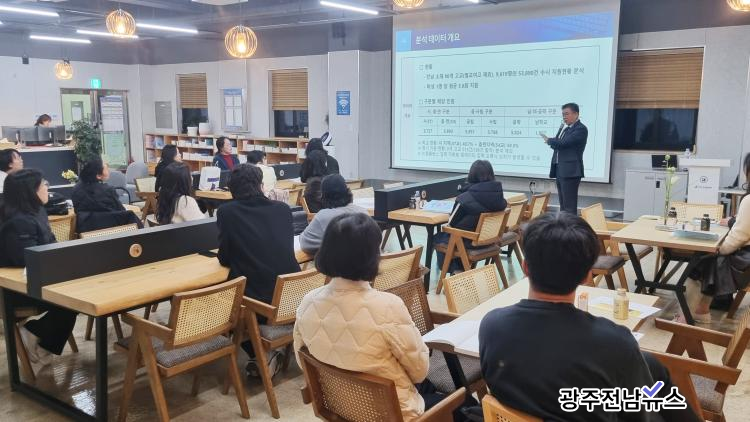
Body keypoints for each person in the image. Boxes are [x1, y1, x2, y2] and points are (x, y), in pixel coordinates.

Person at [479, 213, 701, 422]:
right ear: (587, 275)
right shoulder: (615, 342)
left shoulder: (492, 326)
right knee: (654, 379)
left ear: (525, 267)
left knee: (650, 366)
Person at [294, 213, 433, 421]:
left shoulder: (308, 302)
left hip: (339, 408)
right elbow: (420, 371)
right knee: (463, 402)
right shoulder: (388, 306)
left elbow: (302, 361)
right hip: (392, 413)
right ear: (373, 256)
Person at [217, 164, 300, 372]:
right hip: (291, 298)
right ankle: (268, 353)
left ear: (231, 189)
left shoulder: (227, 212)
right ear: (261, 185)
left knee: (223, 306)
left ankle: (260, 353)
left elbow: (225, 257)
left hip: (258, 302)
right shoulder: (282, 209)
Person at [0, 169, 78, 368]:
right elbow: (24, 258)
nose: (47, 187)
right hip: (15, 289)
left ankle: (40, 337)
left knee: (79, 291)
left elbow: (50, 244)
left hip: (40, 279)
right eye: (43, 184)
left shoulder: (37, 211)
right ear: (30, 191)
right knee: (73, 298)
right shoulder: (17, 221)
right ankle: (37, 335)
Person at [689, 152, 750, 322]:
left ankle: (692, 312)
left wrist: (718, 249)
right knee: (711, 259)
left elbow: (738, 237)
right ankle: (702, 310)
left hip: (746, 263)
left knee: (703, 261)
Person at [435, 160, 507, 272]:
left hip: (469, 243)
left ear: (471, 175)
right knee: (456, 237)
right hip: (490, 241)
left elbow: (451, 223)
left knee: (438, 237)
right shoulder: (499, 197)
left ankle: (455, 270)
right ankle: (462, 269)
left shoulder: (464, 199)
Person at [299, 174, 368, 254]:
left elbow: (305, 244)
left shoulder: (323, 216)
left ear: (323, 196)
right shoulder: (363, 212)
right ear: (348, 192)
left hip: (338, 261)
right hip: (363, 260)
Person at [72, 156, 140, 232]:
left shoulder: (76, 189)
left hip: (85, 230)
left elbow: (77, 211)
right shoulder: (107, 190)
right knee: (130, 215)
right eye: (106, 168)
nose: (108, 169)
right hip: (110, 231)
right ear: (98, 176)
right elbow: (121, 210)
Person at [541, 103, 587, 215]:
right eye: (563, 114)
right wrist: (552, 142)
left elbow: (565, 143)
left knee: (569, 206)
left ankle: (570, 225)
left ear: (576, 114)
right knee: (563, 205)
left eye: (566, 114)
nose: (564, 117)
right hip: (561, 170)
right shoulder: (566, 130)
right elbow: (560, 145)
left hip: (571, 171)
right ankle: (563, 225)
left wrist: (550, 140)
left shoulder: (580, 129)